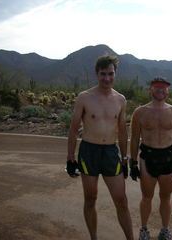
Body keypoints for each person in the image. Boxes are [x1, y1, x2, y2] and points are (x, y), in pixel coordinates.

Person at [66, 54, 134, 240]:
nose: (107, 78)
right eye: (103, 74)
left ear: (115, 73)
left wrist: (125, 158)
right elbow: (73, 130)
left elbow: (122, 131)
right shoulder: (84, 97)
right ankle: (94, 237)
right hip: (89, 152)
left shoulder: (120, 100)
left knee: (121, 200)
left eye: (110, 74)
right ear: (97, 74)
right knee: (90, 198)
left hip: (111, 153)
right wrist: (70, 158)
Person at [130, 77, 172, 240]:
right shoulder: (140, 112)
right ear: (150, 89)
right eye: (156, 87)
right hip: (148, 158)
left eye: (164, 87)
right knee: (146, 197)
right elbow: (134, 139)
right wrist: (133, 163)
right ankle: (144, 229)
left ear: (168, 90)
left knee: (165, 197)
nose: (160, 90)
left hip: (169, 157)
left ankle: (165, 230)